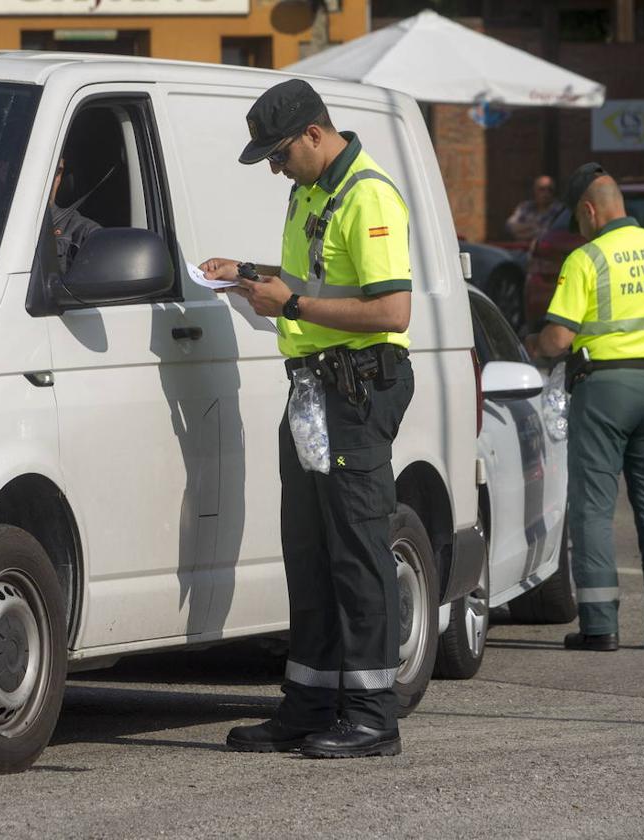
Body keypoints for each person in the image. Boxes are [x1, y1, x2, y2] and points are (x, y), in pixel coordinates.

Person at [200, 78, 414, 759]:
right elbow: (315, 281)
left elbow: (391, 311)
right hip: (315, 389)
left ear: (315, 135)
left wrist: (287, 306)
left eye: (279, 152)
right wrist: (250, 272)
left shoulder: (367, 195)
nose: (273, 167)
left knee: (356, 552)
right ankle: (311, 700)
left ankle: (374, 713)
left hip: (354, 391)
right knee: (311, 551)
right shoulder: (311, 190)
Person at [524, 162, 644, 653]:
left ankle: (600, 626)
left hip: (605, 391)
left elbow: (559, 337)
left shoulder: (587, 258)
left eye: (577, 220)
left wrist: (534, 341)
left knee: (594, 510)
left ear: (589, 210)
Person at [50, 157, 101, 272]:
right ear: (3, 169)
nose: (50, 179)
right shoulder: (1, 225)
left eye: (56, 172)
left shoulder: (82, 233)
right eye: (42, 170)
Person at [506, 174, 563, 242]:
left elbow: (547, 234)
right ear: (534, 190)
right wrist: (532, 226)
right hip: (519, 249)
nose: (546, 193)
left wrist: (522, 232)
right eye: (542, 189)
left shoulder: (559, 210)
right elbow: (509, 226)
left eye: (550, 190)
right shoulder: (525, 207)